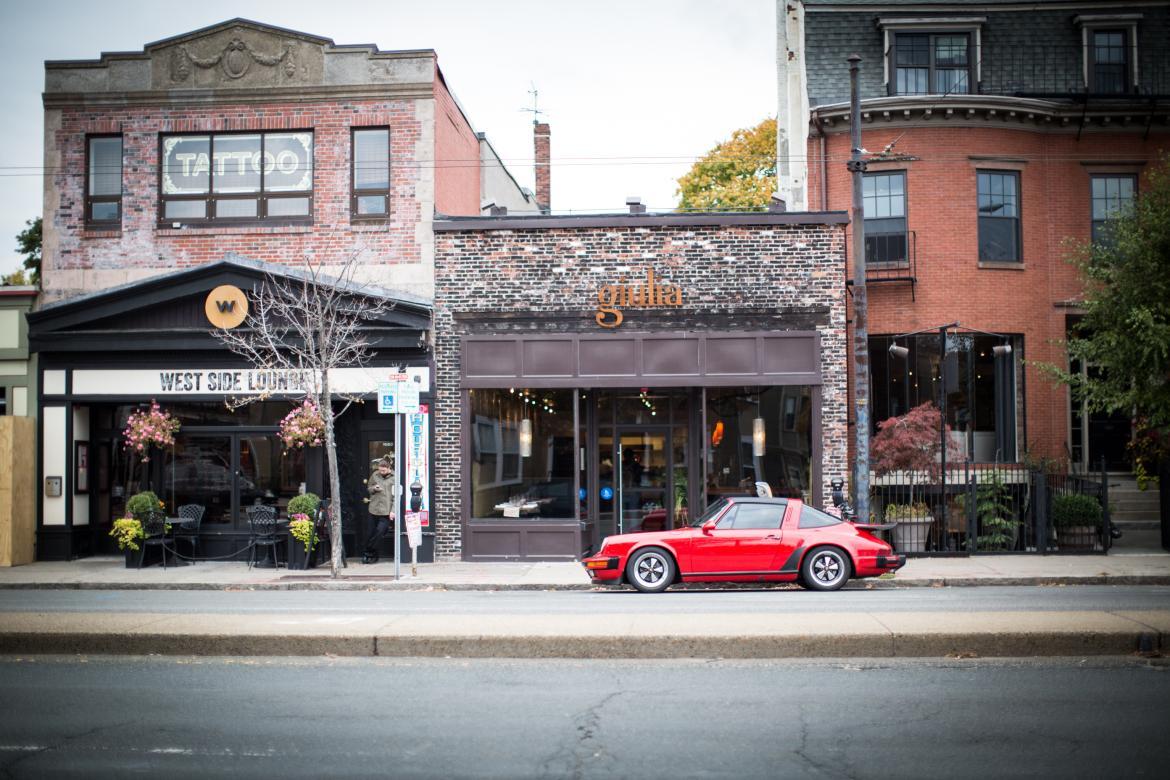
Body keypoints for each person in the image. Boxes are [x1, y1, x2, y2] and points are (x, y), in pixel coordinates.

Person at [364, 456, 396, 564]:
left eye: (383, 470)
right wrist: (374, 489)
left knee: (379, 532)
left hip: (386, 511)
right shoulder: (375, 475)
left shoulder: (394, 477)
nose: (381, 472)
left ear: (388, 468)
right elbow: (369, 488)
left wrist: (393, 510)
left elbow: (396, 496)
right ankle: (372, 555)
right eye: (380, 470)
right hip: (373, 508)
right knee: (370, 533)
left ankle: (369, 551)